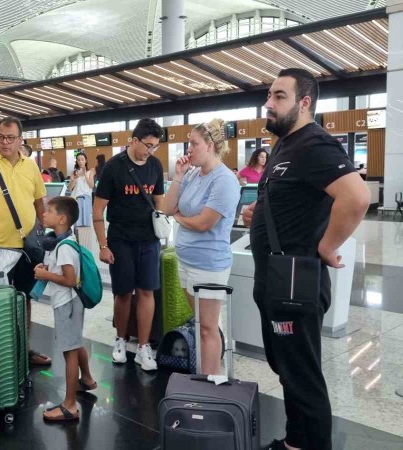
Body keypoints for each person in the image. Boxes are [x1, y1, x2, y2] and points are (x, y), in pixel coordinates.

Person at [242, 68, 370, 450]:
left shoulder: (314, 143)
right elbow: (292, 200)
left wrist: (328, 246)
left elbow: (356, 197)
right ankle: (296, 442)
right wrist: (257, 214)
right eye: (268, 95)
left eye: (279, 96)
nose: (269, 103)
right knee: (287, 369)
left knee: (303, 377)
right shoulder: (285, 145)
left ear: (304, 102)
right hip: (274, 278)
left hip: (295, 282)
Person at [0, 117, 52, 367]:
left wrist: (46, 237)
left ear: (20, 140)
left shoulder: (31, 167)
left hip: (27, 248)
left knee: (24, 298)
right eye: (0, 137)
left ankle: (24, 350)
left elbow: (40, 204)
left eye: (9, 138)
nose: (4, 142)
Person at [163, 119, 240, 375]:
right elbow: (167, 208)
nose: (189, 149)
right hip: (186, 261)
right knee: (200, 324)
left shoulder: (224, 180)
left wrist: (180, 219)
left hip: (209, 265)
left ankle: (211, 382)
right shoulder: (192, 174)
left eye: (194, 143)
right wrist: (178, 176)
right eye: (189, 143)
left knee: (208, 327)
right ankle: (204, 377)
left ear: (210, 145)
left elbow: (205, 223)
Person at [93, 118, 165, 372]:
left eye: (155, 146)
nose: (151, 151)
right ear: (134, 140)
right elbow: (98, 210)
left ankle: (144, 347)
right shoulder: (114, 167)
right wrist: (103, 245)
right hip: (120, 239)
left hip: (149, 239)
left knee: (147, 291)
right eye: (148, 145)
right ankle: (121, 340)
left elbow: (159, 201)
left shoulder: (155, 165)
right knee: (123, 293)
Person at [33, 196, 96, 421]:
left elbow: (70, 280)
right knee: (74, 342)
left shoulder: (64, 247)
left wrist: (45, 275)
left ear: (61, 219)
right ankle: (87, 379)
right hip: (69, 303)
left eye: (49, 211)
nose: (44, 213)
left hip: (67, 303)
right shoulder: (62, 242)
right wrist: (46, 269)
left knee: (69, 352)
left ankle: (70, 405)